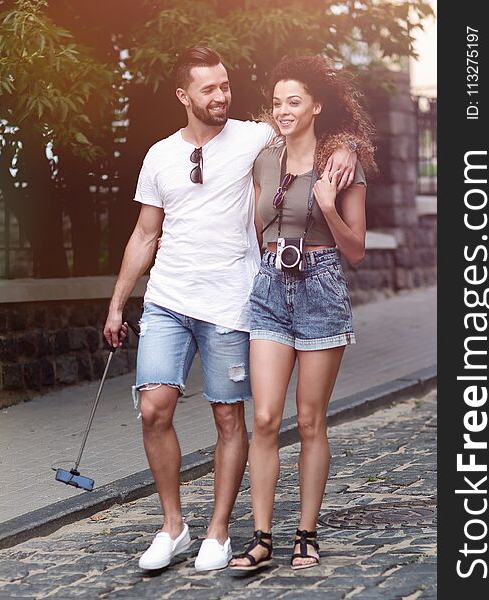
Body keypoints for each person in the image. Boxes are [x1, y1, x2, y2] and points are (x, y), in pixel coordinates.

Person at [103, 47, 362, 573]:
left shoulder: (268, 141)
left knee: (270, 418)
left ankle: (256, 533)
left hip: (268, 295)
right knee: (188, 411)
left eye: (226, 86)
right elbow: (145, 232)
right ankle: (198, 530)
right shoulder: (190, 154)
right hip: (209, 296)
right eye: (209, 89)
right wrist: (116, 304)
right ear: (183, 96)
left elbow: (316, 127)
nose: (222, 96)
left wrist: (350, 148)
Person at [229, 55, 377, 571]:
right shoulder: (262, 157)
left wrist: (329, 205)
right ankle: (261, 536)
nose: (283, 110)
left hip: (321, 287)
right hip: (271, 288)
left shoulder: (341, 161)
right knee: (265, 418)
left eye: (294, 101)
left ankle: (306, 533)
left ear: (317, 105)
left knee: (311, 421)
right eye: (277, 102)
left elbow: (355, 250)